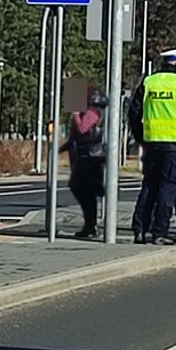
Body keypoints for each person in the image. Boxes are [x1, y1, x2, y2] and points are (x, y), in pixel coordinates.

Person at [128, 47, 176, 245]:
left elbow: (134, 113)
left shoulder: (148, 82)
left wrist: (141, 139)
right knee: (169, 188)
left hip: (152, 143)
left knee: (150, 185)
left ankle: (140, 229)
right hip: (175, 145)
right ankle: (159, 232)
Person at [60, 87, 107, 239]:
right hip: (84, 156)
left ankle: (91, 225)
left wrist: (74, 115)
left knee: (81, 188)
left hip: (91, 157)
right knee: (82, 190)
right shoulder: (85, 112)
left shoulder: (92, 112)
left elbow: (82, 129)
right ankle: (89, 225)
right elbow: (76, 136)